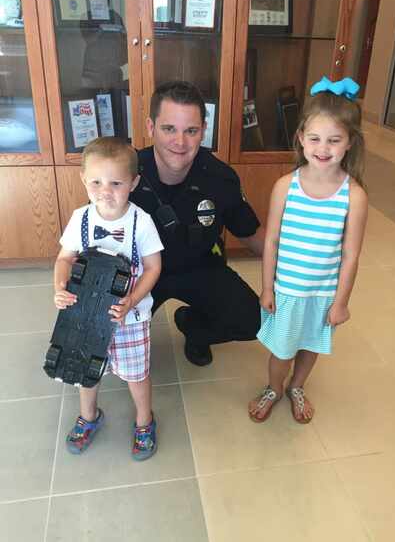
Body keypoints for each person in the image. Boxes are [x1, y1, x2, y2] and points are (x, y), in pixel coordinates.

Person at [248, 77, 368, 424]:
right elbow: (270, 241)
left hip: (322, 293)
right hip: (286, 290)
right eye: (314, 138)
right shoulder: (286, 186)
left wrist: (340, 301)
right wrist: (268, 287)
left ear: (349, 143)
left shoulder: (354, 196)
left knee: (310, 346)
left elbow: (351, 256)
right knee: (281, 350)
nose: (323, 148)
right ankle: (275, 387)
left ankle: (298, 387)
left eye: (334, 140)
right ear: (300, 138)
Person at [130, 81, 264, 366]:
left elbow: (251, 235)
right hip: (144, 272)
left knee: (254, 321)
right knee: (107, 328)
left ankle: (195, 329)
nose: (180, 142)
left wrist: (302, 266)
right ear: (151, 128)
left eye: (191, 131)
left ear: (203, 130)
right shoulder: (127, 172)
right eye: (169, 129)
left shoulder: (220, 178)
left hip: (201, 266)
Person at [54, 137, 163, 459]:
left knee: (136, 374)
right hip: (86, 316)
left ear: (134, 182)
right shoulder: (81, 218)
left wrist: (131, 300)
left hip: (129, 318)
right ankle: (89, 416)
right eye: (96, 182)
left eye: (116, 183)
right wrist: (60, 288)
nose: (106, 191)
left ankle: (145, 420)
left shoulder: (140, 221)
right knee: (86, 370)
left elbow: (154, 267)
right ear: (83, 180)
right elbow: (64, 259)